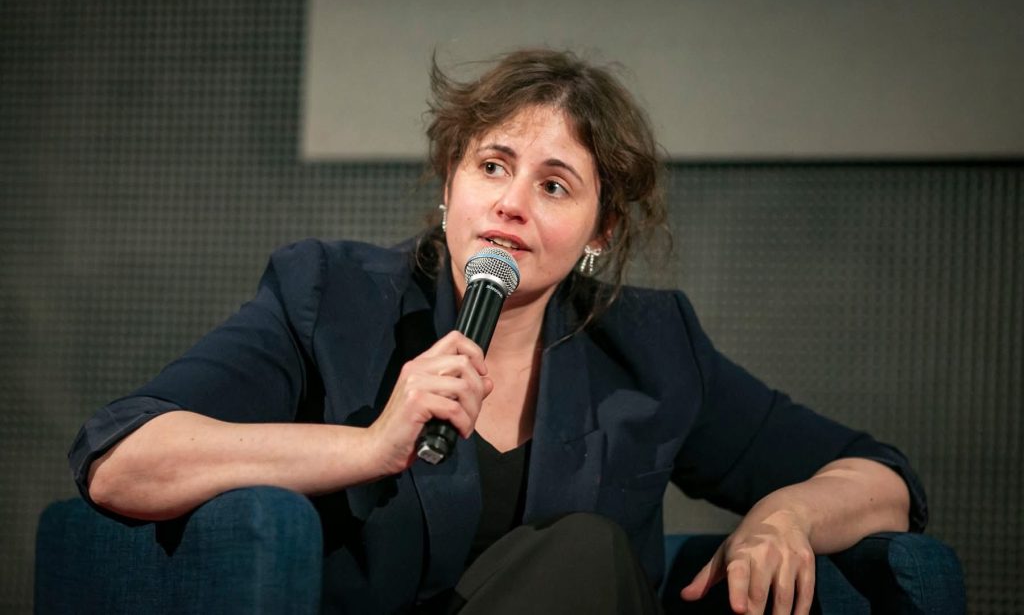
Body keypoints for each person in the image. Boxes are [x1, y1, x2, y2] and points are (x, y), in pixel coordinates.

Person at [70, 49, 926, 614]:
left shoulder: (652, 346)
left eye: (554, 185)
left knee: (589, 558)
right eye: (492, 166)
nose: (512, 203)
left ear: (600, 231)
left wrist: (785, 516)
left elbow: (885, 482)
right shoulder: (331, 298)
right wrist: (366, 446)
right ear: (450, 185)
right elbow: (122, 459)